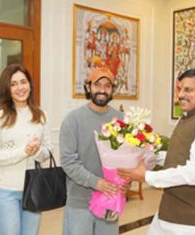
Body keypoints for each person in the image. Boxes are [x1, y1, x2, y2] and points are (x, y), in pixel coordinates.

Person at [118, 68, 195, 235]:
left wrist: (146, 176)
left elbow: (194, 173)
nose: (180, 95)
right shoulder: (186, 117)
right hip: (170, 211)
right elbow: (179, 156)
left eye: (188, 89)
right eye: (179, 89)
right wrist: (149, 156)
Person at [0, 63, 52, 235]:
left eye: (23, 82)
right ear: (7, 88)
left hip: (33, 190)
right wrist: (23, 151)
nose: (20, 88)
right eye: (13, 84)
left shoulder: (40, 115)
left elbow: (47, 153)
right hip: (5, 192)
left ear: (30, 84)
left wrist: (36, 151)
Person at [59, 67, 125, 235]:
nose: (102, 90)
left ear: (113, 89)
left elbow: (126, 159)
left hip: (110, 199)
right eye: (97, 85)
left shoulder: (121, 120)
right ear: (88, 87)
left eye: (107, 85)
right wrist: (97, 183)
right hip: (80, 202)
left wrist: (125, 182)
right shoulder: (73, 120)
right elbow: (68, 162)